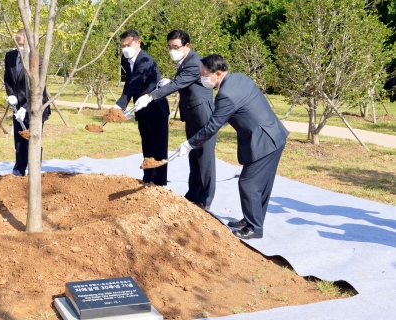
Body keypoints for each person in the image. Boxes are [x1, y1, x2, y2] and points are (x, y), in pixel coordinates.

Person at [172, 54, 289, 239]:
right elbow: (244, 105)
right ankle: (252, 218)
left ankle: (254, 228)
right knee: (262, 183)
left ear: (217, 74)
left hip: (265, 141)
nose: (201, 77)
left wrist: (189, 144)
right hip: (274, 134)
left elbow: (211, 127)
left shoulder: (225, 95)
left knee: (249, 183)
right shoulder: (239, 78)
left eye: (204, 74)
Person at [133, 29, 216, 210]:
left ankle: (205, 199)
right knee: (194, 158)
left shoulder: (195, 62)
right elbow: (181, 82)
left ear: (187, 46)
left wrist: (150, 96)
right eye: (169, 47)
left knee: (205, 159)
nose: (172, 50)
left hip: (203, 116)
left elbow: (178, 84)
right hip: (192, 116)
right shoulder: (185, 61)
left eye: (176, 47)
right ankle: (193, 194)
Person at [111, 29, 170, 185]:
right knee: (147, 148)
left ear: (138, 43)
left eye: (128, 45)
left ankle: (159, 183)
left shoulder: (145, 61)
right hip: (142, 112)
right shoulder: (128, 61)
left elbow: (136, 82)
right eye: (122, 46)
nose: (125, 49)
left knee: (159, 150)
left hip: (157, 110)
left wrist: (120, 104)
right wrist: (120, 106)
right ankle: (148, 179)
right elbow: (128, 85)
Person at [3, 30, 51, 176]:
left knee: (33, 141)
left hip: (36, 107)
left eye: (23, 43)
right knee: (19, 141)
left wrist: (26, 107)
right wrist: (12, 96)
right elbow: (7, 79)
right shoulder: (10, 57)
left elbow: (38, 89)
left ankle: (34, 171)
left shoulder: (39, 62)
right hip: (17, 105)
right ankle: (19, 170)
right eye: (18, 43)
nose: (20, 46)